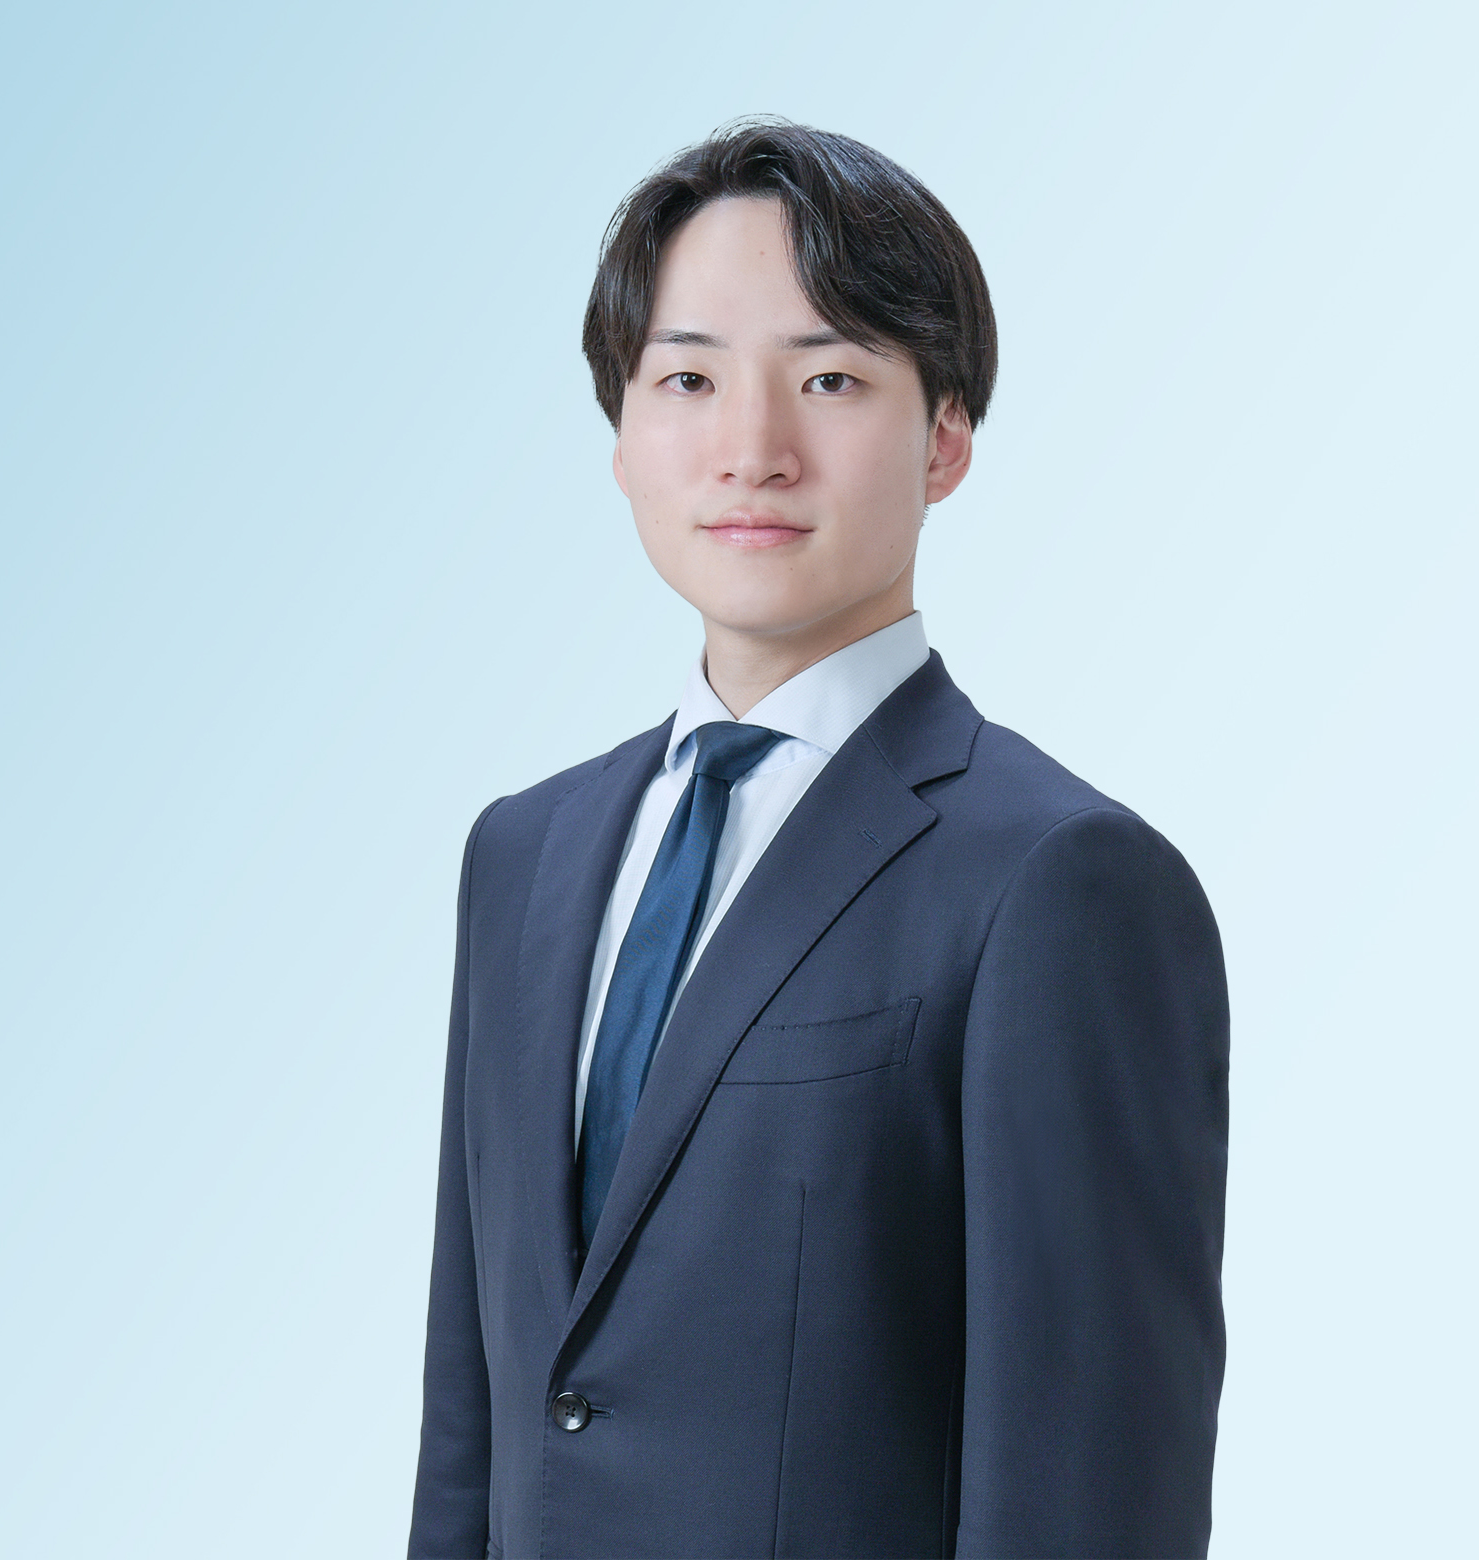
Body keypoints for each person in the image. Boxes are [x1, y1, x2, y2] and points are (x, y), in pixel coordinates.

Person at [408, 119, 1229, 1560]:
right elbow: (477, 1429)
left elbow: (1089, 1488)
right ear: (621, 436)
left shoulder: (1060, 884)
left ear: (946, 437)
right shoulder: (521, 857)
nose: (752, 451)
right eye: (688, 379)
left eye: (830, 378)